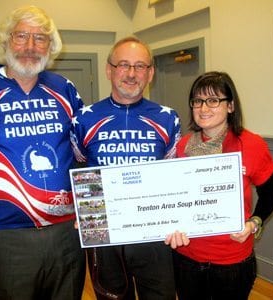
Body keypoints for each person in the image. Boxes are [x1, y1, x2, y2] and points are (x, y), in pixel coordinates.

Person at [0, 5, 85, 299]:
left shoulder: (65, 89)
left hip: (66, 233)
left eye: (41, 38)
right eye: (22, 36)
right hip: (7, 237)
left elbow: (84, 155)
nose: (31, 47)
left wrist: (90, 213)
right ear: (7, 40)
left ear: (51, 46)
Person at [70, 36, 181, 300]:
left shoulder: (168, 117)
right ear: (109, 69)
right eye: (123, 65)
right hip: (102, 231)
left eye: (140, 66)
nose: (131, 74)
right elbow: (78, 165)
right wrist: (83, 209)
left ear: (150, 73)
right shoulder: (83, 118)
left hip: (154, 231)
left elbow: (173, 174)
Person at [164, 71, 273, 300]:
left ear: (230, 106)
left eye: (213, 100)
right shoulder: (183, 146)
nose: (203, 108)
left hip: (232, 260)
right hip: (187, 257)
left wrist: (253, 224)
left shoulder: (252, 144)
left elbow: (269, 197)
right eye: (197, 101)